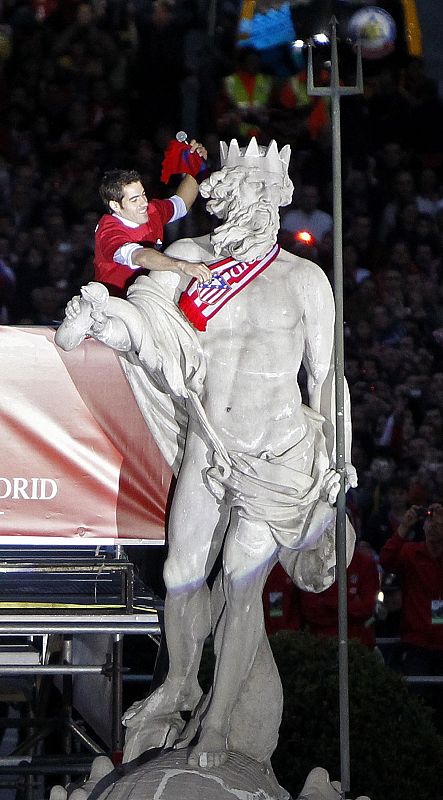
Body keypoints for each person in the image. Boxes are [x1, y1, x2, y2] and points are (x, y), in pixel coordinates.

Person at [55, 137, 357, 772]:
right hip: (208, 448)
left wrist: (339, 460)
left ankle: (219, 723)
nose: (242, 207)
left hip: (277, 456)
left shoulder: (306, 282)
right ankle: (180, 682)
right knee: (180, 576)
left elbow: (327, 380)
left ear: (277, 202)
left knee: (242, 590)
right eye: (234, 195)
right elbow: (151, 327)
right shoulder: (190, 259)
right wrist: (110, 317)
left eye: (256, 197)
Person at [94, 140, 211, 295]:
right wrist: (182, 265)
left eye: (143, 195)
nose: (144, 203)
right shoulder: (108, 231)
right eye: (134, 199)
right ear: (115, 206)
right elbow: (139, 257)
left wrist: (196, 166)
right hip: (116, 306)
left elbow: (182, 204)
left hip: (149, 297)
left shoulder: (151, 210)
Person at [379, 503, 443, 728]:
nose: (434, 526)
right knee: (418, 707)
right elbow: (386, 559)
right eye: (430, 522)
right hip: (417, 644)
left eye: (439, 522)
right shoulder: (411, 553)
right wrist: (404, 527)